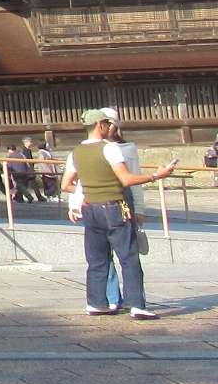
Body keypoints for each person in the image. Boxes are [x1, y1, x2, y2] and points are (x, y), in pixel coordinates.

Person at [62, 107, 179, 320]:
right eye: (107, 124)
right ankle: (136, 305)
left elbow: (66, 184)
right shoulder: (110, 149)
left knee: (97, 259)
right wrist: (157, 175)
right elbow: (126, 179)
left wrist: (86, 193)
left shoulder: (75, 152)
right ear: (100, 125)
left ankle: (96, 303)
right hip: (114, 206)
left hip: (90, 209)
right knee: (128, 257)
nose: (109, 127)